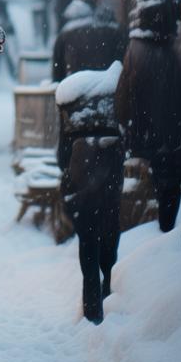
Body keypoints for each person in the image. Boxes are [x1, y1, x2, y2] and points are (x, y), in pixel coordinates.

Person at [115, 0, 181, 232]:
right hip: (177, 129)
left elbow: (123, 97)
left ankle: (161, 244)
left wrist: (127, 127)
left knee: (160, 189)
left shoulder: (136, 47)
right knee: (172, 189)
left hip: (148, 132)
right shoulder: (179, 34)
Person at [55, 62, 125, 324]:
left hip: (81, 180)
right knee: (109, 235)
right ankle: (108, 296)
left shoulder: (70, 108)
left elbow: (62, 156)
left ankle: (92, 307)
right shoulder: (113, 97)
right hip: (109, 178)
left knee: (88, 242)